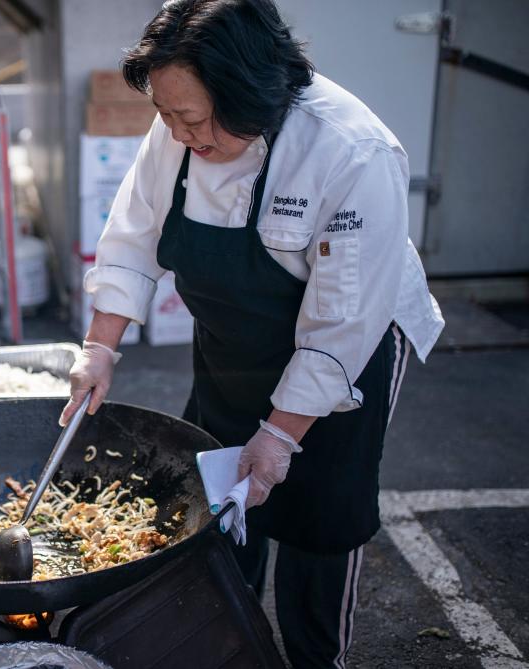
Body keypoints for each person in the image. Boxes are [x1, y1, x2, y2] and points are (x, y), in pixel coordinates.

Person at [59, 1, 445, 666]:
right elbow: (131, 237)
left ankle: (315, 655)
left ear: (250, 90)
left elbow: (341, 325)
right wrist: (99, 348)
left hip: (348, 353)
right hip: (235, 341)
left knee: (318, 519)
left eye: (195, 117)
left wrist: (279, 434)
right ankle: (230, 639)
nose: (181, 134)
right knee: (215, 503)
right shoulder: (178, 129)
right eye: (168, 116)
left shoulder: (350, 151)